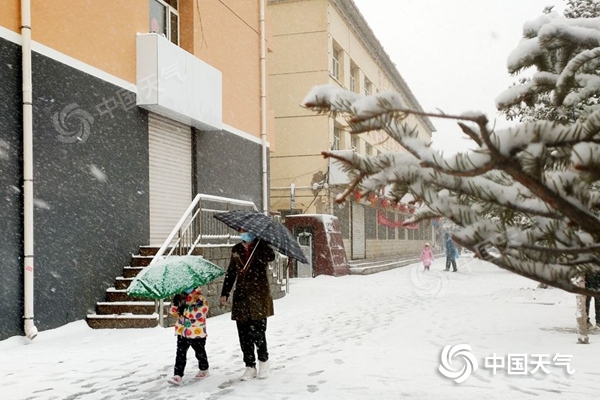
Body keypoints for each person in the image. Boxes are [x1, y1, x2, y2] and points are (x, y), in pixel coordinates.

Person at [220, 229, 276, 380]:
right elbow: (231, 271)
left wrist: (263, 243)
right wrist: (225, 292)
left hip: (259, 295)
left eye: (247, 232)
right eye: (241, 231)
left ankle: (264, 361)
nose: (244, 234)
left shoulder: (261, 247)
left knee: (258, 332)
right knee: (243, 334)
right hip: (241, 297)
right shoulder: (237, 249)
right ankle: (249, 365)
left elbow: (271, 257)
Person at [167, 286, 210, 386]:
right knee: (180, 353)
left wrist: (185, 310)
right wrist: (176, 304)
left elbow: (201, 312)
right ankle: (178, 374)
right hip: (182, 331)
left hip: (196, 331)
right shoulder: (180, 297)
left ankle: (204, 368)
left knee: (199, 352)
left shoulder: (200, 298)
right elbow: (173, 311)